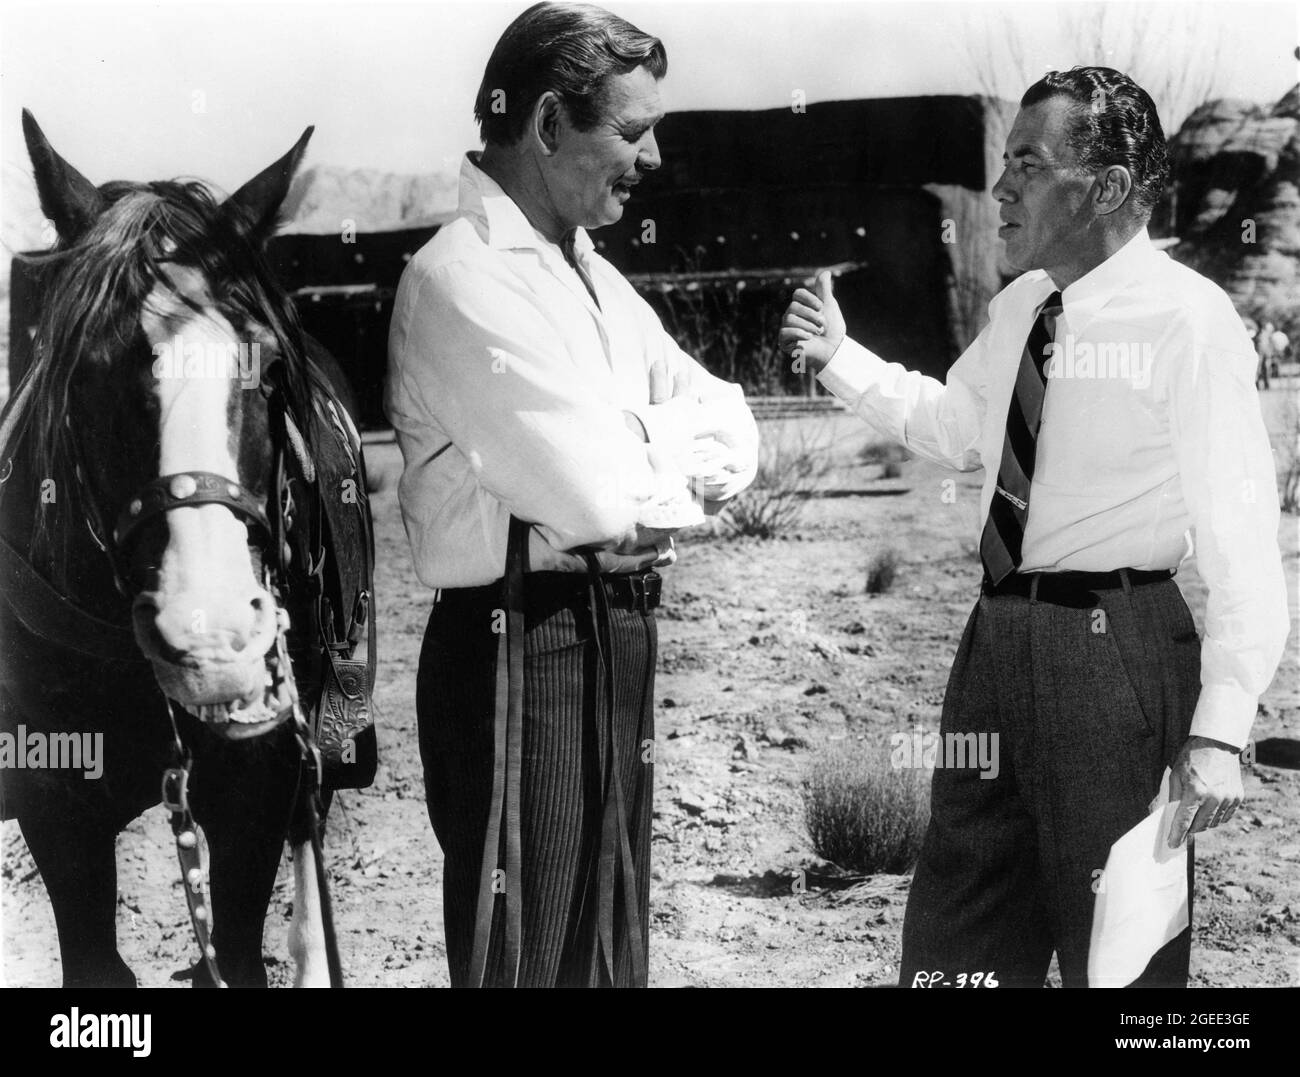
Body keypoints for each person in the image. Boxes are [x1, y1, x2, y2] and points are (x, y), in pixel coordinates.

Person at [780, 66, 1288, 988]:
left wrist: (1218, 729)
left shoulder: (1190, 322)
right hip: (994, 643)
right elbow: (954, 429)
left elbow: (1242, 541)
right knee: (957, 930)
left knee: (1119, 947)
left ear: (1109, 188)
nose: (1000, 187)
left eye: (1028, 163)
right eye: (1004, 160)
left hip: (1118, 656)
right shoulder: (1020, 307)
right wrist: (839, 358)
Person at [386, 1, 758, 988]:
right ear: (550, 124)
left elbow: (737, 434)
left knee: (609, 947)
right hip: (517, 646)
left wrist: (624, 442)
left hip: (615, 633)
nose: (653, 161)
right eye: (632, 132)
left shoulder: (591, 276)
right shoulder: (460, 278)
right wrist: (636, 454)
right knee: (531, 958)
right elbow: (598, 502)